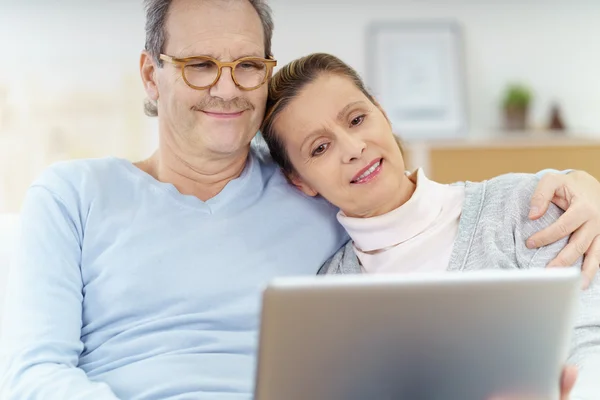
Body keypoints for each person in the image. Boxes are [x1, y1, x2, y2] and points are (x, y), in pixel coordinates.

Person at [1, 0, 600, 399]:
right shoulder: (71, 195)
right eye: (200, 65)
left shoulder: (314, 191)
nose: (227, 87)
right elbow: (34, 372)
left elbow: (420, 224)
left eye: (246, 65)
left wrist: (579, 182)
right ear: (150, 74)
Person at [259, 52, 600, 399]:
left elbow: (590, 342)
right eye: (319, 148)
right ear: (300, 182)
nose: (353, 147)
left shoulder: (526, 205)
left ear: (383, 113)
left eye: (357, 119)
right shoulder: (326, 298)